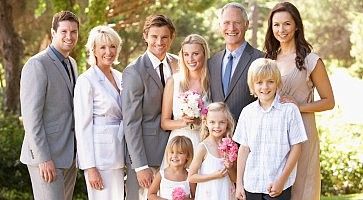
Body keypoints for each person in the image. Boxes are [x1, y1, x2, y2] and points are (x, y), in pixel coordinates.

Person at [263, 2, 335, 199]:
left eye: (287, 24)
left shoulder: (311, 60)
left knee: (302, 186)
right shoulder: (268, 59)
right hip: (274, 133)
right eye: (276, 25)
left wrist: (299, 106)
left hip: (302, 131)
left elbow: (329, 101)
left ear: (296, 26)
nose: (281, 30)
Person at [19, 11, 79, 200]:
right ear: (53, 33)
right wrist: (43, 158)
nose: (69, 36)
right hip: (47, 157)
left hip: (69, 155)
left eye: (74, 32)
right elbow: (31, 119)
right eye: (64, 31)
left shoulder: (72, 63)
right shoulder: (37, 64)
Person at [122, 14, 179, 200]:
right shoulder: (134, 72)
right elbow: (131, 123)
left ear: (171, 38)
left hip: (175, 151)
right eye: (154, 36)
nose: (159, 42)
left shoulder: (178, 64)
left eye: (164, 37)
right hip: (146, 155)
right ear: (145, 36)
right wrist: (140, 166)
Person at [233, 58, 307, 200]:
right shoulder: (247, 112)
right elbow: (244, 149)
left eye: (270, 82)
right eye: (259, 82)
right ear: (252, 85)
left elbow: (297, 147)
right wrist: (239, 184)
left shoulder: (289, 111)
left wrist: (281, 181)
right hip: (252, 184)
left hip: (278, 185)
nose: (265, 87)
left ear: (277, 83)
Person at [73, 25, 124, 199]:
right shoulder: (86, 80)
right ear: (93, 49)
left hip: (120, 153)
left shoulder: (120, 76)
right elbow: (82, 126)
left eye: (112, 46)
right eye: (103, 47)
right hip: (100, 159)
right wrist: (90, 167)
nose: (108, 52)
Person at [160, 34, 210, 166]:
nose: (190, 59)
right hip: (178, 146)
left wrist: (202, 122)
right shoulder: (174, 81)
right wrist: (183, 122)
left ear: (204, 54)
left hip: (203, 143)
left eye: (195, 54)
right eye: (186, 54)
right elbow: (164, 123)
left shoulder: (212, 83)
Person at [209, 2, 263, 122]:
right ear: (220, 26)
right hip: (217, 136)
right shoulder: (212, 62)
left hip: (249, 136)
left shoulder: (260, 59)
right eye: (226, 23)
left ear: (246, 24)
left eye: (237, 23)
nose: (231, 28)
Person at [188, 102, 236, 200]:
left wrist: (230, 167)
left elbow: (234, 178)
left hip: (225, 193)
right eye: (212, 122)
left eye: (222, 122)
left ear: (227, 123)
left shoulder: (230, 147)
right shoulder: (203, 147)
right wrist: (214, 176)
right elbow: (191, 177)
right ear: (206, 123)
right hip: (208, 194)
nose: (217, 126)